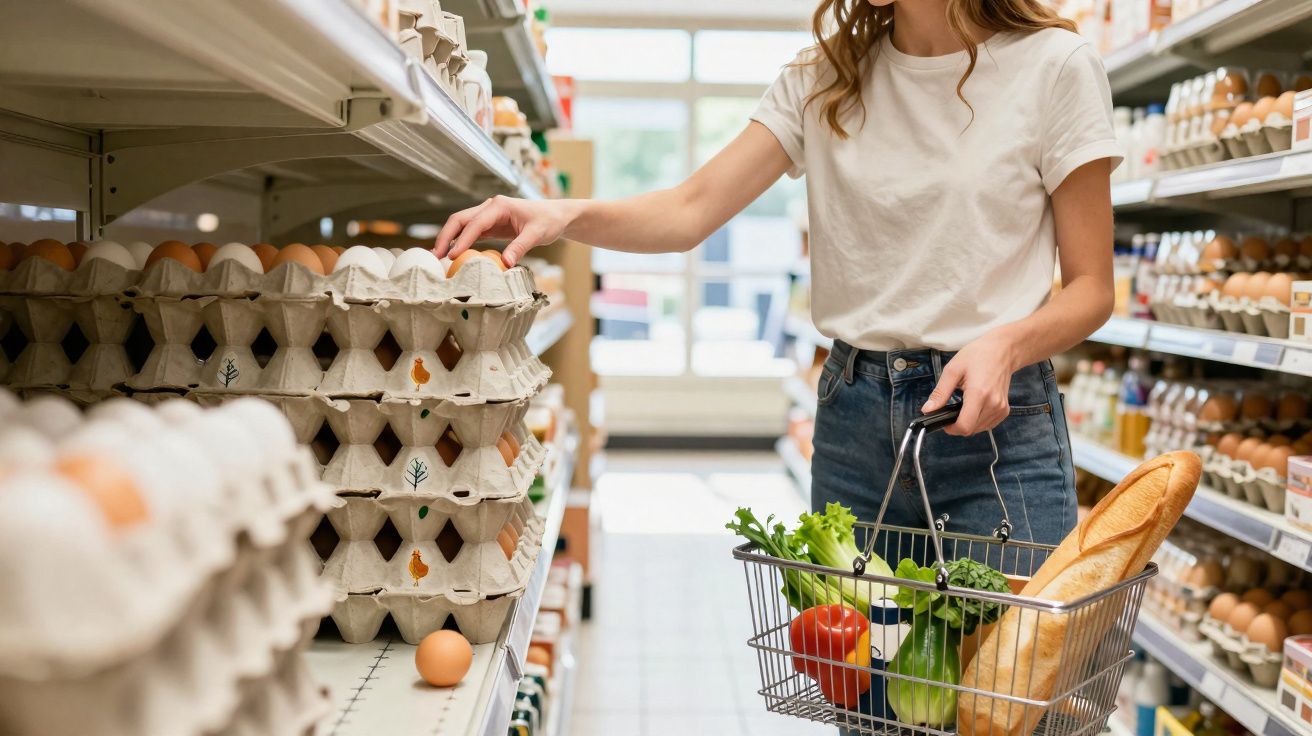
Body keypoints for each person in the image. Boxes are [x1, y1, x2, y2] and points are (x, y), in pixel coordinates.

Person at [435, 0, 1119, 558]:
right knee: (868, 706)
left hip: (997, 428)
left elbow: (1092, 287)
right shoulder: (827, 77)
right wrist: (561, 213)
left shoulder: (1054, 67)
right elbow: (689, 209)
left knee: (1008, 704)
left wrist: (1005, 346)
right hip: (857, 418)